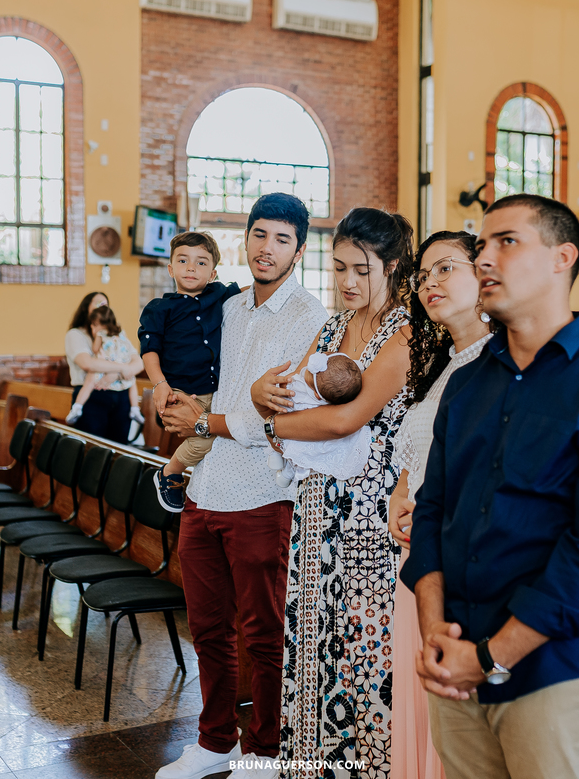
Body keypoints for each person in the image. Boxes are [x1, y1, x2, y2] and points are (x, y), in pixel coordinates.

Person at [401, 194, 579, 779]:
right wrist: (436, 634)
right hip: (456, 663)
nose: (484, 258)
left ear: (561, 258)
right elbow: (433, 512)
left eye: (507, 242)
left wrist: (488, 658)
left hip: (556, 671)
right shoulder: (466, 386)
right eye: (481, 245)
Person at [155, 194, 328, 779]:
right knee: (207, 627)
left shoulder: (309, 318)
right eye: (259, 234)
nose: (266, 248)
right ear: (245, 239)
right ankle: (215, 741)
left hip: (263, 493)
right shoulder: (228, 308)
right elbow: (211, 383)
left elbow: (276, 419)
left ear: (299, 251)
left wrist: (202, 423)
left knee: (263, 635)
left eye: (281, 239)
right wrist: (173, 398)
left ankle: (266, 751)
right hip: (206, 488)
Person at [249, 207, 415, 779]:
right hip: (317, 504)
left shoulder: (405, 334)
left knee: (364, 645)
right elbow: (288, 390)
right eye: (339, 267)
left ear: (392, 268)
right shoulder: (332, 328)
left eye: (361, 270)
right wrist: (266, 398)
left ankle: (367, 768)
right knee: (314, 636)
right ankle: (312, 765)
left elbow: (347, 419)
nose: (346, 281)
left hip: (371, 514)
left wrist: (275, 427)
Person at [387, 230, 494, 779]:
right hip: (418, 558)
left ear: (484, 275)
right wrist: (399, 497)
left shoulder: (499, 363)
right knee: (423, 699)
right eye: (424, 275)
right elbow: (418, 453)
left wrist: (430, 510)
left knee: (457, 721)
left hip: (460, 558)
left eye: (446, 268)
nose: (430, 282)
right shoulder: (444, 365)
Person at [138, 230, 241, 512]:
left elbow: (252, 292)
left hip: (216, 390)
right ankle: (169, 472)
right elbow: (149, 349)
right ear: (171, 269)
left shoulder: (219, 295)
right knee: (205, 440)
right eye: (183, 261)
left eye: (201, 262)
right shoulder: (159, 308)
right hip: (178, 392)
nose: (191, 267)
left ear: (213, 273)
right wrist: (160, 384)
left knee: (226, 433)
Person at [267, 352, 368, 487]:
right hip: (322, 441)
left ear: (316, 395)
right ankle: (287, 473)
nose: (306, 371)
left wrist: (285, 384)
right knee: (305, 456)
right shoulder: (343, 386)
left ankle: (277, 458)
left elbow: (282, 393)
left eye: (308, 374)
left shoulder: (299, 391)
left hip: (296, 427)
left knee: (289, 440)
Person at [64, 292, 141, 439]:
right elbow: (88, 363)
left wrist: (114, 375)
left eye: (105, 304)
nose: (102, 306)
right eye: (98, 302)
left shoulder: (117, 334)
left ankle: (135, 410)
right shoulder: (76, 334)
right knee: (92, 446)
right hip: (93, 396)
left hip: (121, 395)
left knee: (119, 446)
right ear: (86, 307)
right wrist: (122, 368)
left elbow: (138, 363)